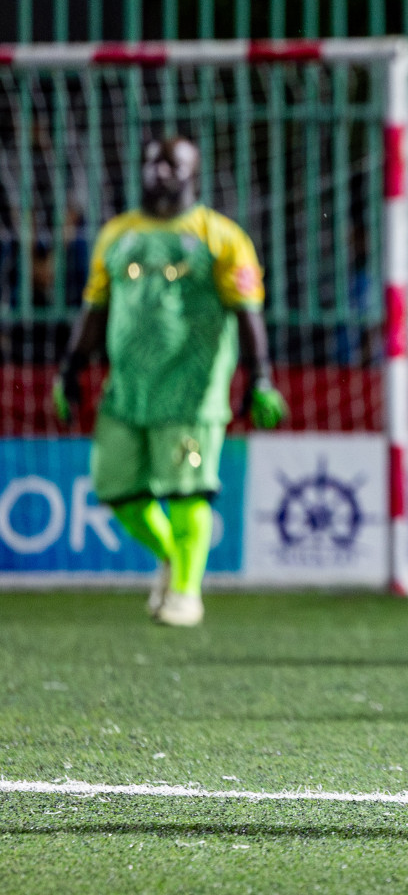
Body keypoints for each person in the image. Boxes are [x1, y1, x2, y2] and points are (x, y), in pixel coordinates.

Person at [54, 136, 287, 626]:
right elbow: (94, 308)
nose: (161, 172)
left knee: (187, 493)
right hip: (128, 391)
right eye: (153, 163)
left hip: (192, 392)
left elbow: (248, 313)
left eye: (173, 165)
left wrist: (260, 377)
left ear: (193, 173)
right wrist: (70, 369)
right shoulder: (117, 233)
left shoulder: (221, 235)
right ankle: (169, 556)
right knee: (115, 489)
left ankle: (186, 592)